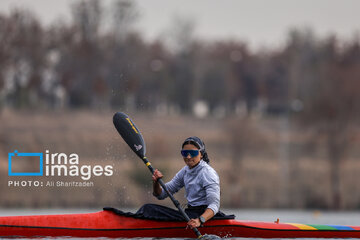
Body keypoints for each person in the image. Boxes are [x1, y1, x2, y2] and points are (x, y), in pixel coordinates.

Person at [152, 136, 221, 229]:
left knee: (149, 209)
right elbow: (161, 194)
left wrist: (200, 220)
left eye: (193, 153)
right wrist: (156, 183)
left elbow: (214, 205)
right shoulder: (185, 171)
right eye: (185, 153)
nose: (188, 157)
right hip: (191, 213)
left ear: (201, 154)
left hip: (205, 215)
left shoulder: (208, 173)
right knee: (150, 208)